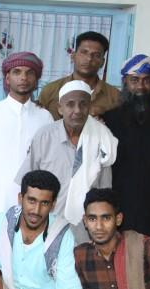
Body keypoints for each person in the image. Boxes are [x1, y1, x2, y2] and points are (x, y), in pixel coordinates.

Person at [16, 80, 117, 243]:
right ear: (60, 108)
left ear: (90, 107)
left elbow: (104, 193)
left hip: (85, 232)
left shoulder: (102, 139)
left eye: (83, 104)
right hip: (46, 227)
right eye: (70, 104)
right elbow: (28, 184)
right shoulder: (45, 136)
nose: (77, 110)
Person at [0, 52, 53, 229]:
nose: (23, 77)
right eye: (17, 72)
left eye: (29, 73)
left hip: (34, 205)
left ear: (36, 79)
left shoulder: (45, 117)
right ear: (7, 78)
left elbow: (48, 165)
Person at [104, 54, 150, 244]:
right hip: (118, 201)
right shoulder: (109, 119)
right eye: (134, 80)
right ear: (125, 82)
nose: (140, 87)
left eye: (146, 80)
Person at [38, 31, 120, 120]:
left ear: (102, 62)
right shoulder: (50, 91)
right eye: (84, 52)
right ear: (73, 56)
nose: (89, 59)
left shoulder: (115, 97)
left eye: (96, 55)